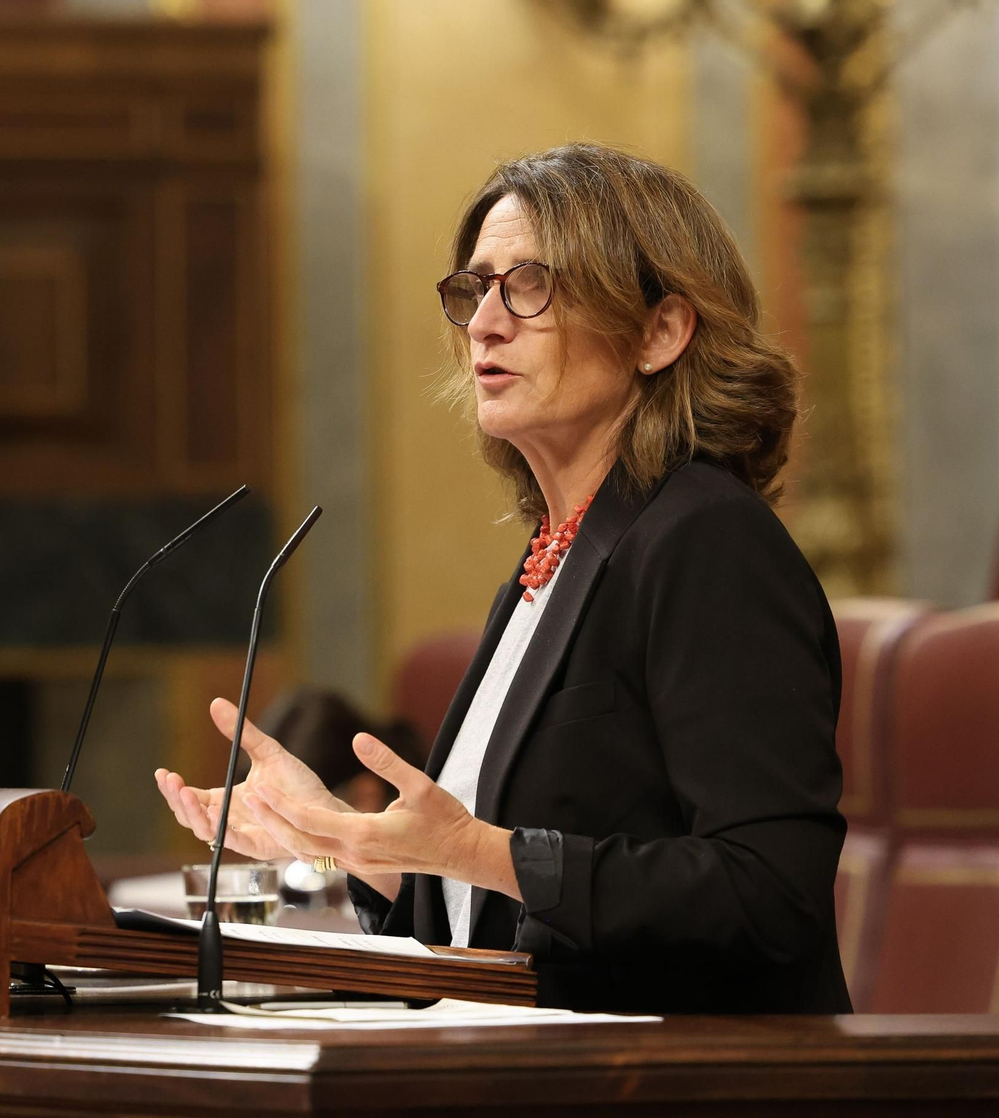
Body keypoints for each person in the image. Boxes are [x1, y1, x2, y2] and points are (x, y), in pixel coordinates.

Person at [153, 141, 852, 1015]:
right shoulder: (549, 563)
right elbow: (485, 910)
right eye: (475, 288)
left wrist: (481, 852)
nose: (485, 321)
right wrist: (344, 839)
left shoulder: (706, 537)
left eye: (531, 284)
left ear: (660, 332)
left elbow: (768, 891)